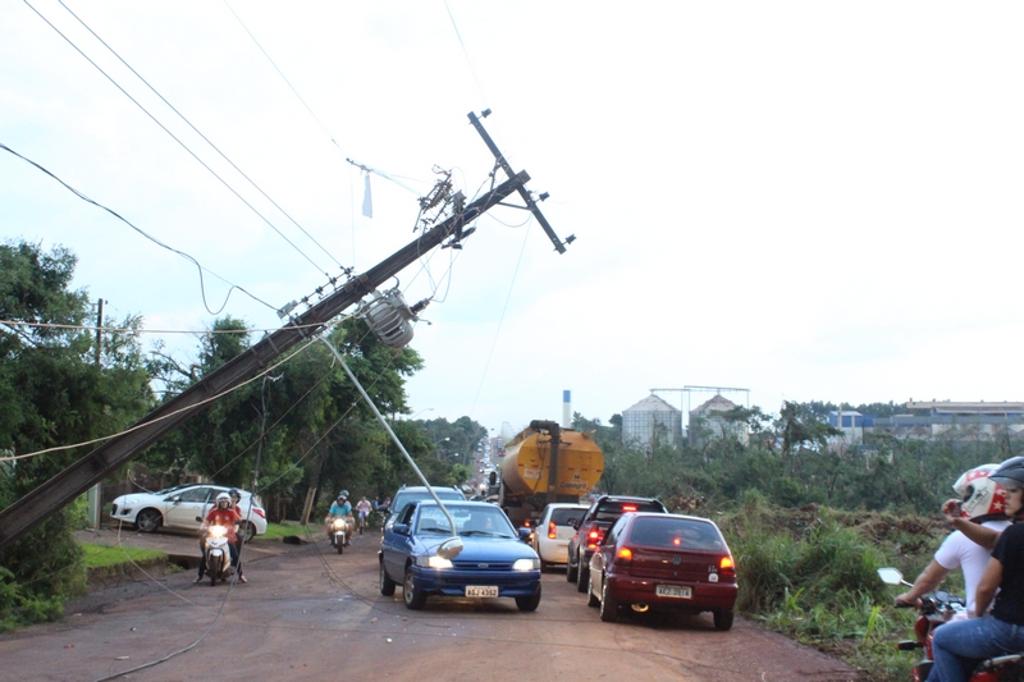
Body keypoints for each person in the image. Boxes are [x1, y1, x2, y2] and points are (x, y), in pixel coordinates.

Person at [927, 456, 1024, 682]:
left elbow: (985, 588)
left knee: (941, 638)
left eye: (1014, 491)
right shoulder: (1009, 534)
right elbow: (991, 539)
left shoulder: (1014, 535)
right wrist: (958, 522)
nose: (1006, 496)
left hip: (1007, 629)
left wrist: (978, 617)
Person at [896, 464, 1010, 618]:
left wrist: (910, 596)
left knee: (940, 638)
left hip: (987, 622)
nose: (962, 503)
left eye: (967, 496)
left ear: (980, 496)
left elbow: (930, 577)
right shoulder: (1016, 532)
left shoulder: (961, 537)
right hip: (1017, 621)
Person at [195, 492, 244, 583]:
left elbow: (238, 520)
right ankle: (199, 575)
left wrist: (238, 523)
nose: (224, 504)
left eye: (226, 502)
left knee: (235, 555)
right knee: (205, 555)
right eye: (222, 502)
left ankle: (241, 575)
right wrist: (203, 527)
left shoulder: (231, 512)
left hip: (228, 536)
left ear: (228, 503)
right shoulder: (214, 512)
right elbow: (206, 521)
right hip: (215, 536)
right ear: (218, 503)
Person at [228, 489, 247, 583]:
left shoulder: (237, 509)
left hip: (230, 532)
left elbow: (239, 519)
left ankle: (240, 573)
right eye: (231, 497)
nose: (233, 499)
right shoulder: (219, 506)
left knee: (237, 545)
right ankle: (200, 574)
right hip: (218, 532)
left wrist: (233, 508)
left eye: (235, 498)